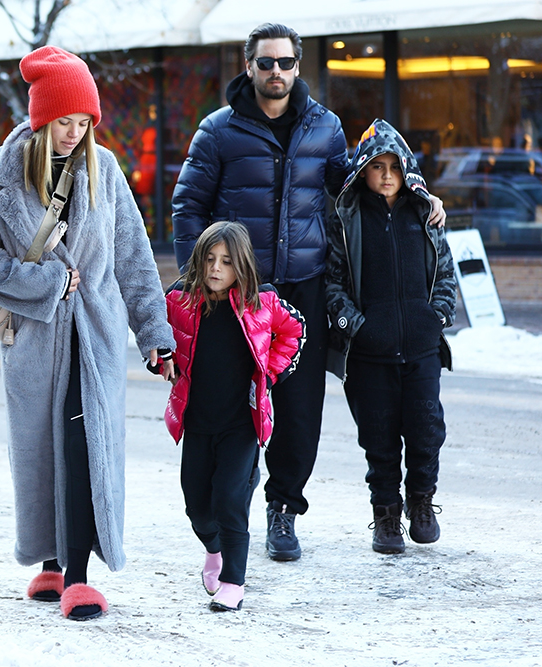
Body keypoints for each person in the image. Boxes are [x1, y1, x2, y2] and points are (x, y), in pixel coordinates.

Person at [171, 22, 446, 562]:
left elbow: (357, 186)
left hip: (304, 290)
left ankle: (283, 510)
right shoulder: (218, 131)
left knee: (300, 410)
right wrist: (196, 285)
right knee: (229, 404)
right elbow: (188, 209)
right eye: (266, 62)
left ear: (299, 67)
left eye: (286, 63)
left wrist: (416, 189)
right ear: (248, 66)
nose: (277, 72)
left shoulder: (324, 129)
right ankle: (226, 508)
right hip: (237, 295)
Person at [0, 46, 176, 621]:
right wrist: (44, 283)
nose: (75, 133)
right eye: (65, 122)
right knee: (39, 448)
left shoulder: (105, 173)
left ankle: (78, 574)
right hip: (34, 339)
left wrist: (155, 332)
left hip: (96, 339)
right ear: (40, 118)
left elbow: (133, 258)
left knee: (84, 448)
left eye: (84, 122)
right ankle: (50, 563)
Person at [324, 119, 456, 554]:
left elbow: (445, 274)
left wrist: (434, 318)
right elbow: (333, 282)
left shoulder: (425, 213)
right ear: (363, 170)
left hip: (421, 349)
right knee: (378, 440)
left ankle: (421, 503)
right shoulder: (347, 218)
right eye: (376, 166)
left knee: (425, 431)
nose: (385, 175)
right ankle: (385, 514)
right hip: (369, 356)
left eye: (393, 166)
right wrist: (357, 328)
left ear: (406, 169)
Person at [162, 221, 305, 612]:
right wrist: (164, 361)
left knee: (229, 500)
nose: (215, 269)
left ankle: (233, 582)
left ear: (240, 265)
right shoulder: (179, 299)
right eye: (209, 259)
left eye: (226, 261)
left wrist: (271, 373)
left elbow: (295, 331)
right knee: (196, 503)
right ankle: (213, 550)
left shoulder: (263, 302)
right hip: (197, 421)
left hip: (241, 423)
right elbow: (158, 340)